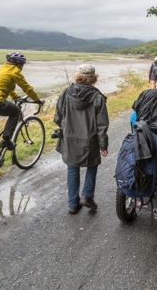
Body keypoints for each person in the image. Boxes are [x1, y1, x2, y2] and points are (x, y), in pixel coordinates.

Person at [54, 64, 109, 214]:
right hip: (90, 139)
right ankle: (87, 197)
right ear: (94, 77)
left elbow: (57, 117)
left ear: (78, 76)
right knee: (92, 165)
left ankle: (73, 204)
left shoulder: (66, 92)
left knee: (72, 168)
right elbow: (102, 125)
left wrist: (66, 128)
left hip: (69, 138)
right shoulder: (98, 97)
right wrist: (103, 145)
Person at [0, 52, 44, 151]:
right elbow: (27, 88)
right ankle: (6, 140)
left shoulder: (2, 68)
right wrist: (37, 100)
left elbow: (8, 86)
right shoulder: (15, 71)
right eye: (22, 65)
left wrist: (15, 97)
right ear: (19, 65)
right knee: (16, 111)